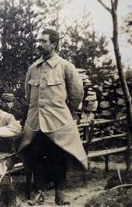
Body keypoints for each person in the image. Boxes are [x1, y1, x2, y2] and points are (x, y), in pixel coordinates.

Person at [19, 29, 88, 205]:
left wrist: (64, 112)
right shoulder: (32, 68)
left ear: (54, 44)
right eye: (38, 40)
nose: (39, 44)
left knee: (58, 157)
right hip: (35, 123)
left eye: (43, 40)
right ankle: (40, 192)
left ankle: (60, 193)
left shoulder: (65, 66)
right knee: (34, 155)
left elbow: (76, 94)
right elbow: (28, 95)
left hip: (58, 123)